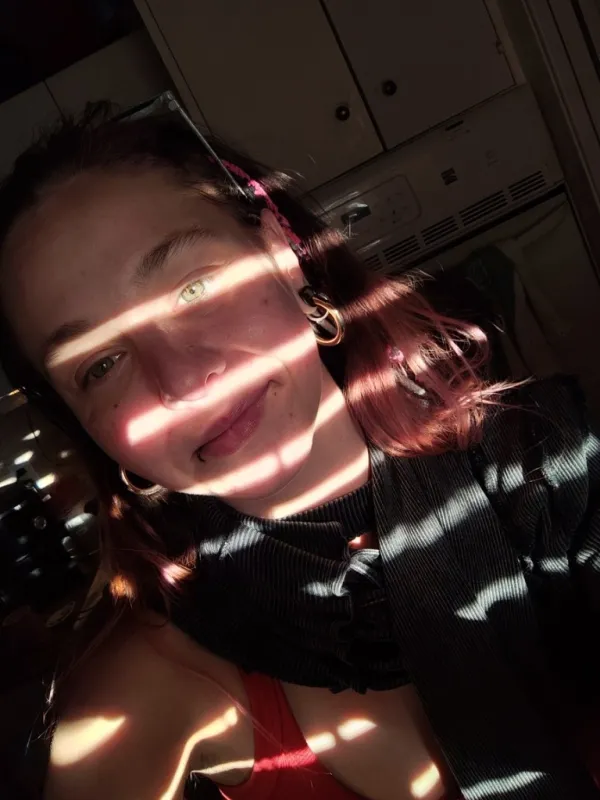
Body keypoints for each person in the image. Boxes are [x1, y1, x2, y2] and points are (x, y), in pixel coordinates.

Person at [1, 101, 600, 800]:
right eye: (100, 365)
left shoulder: (554, 465)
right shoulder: (145, 687)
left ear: (280, 250)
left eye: (194, 286)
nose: (185, 382)